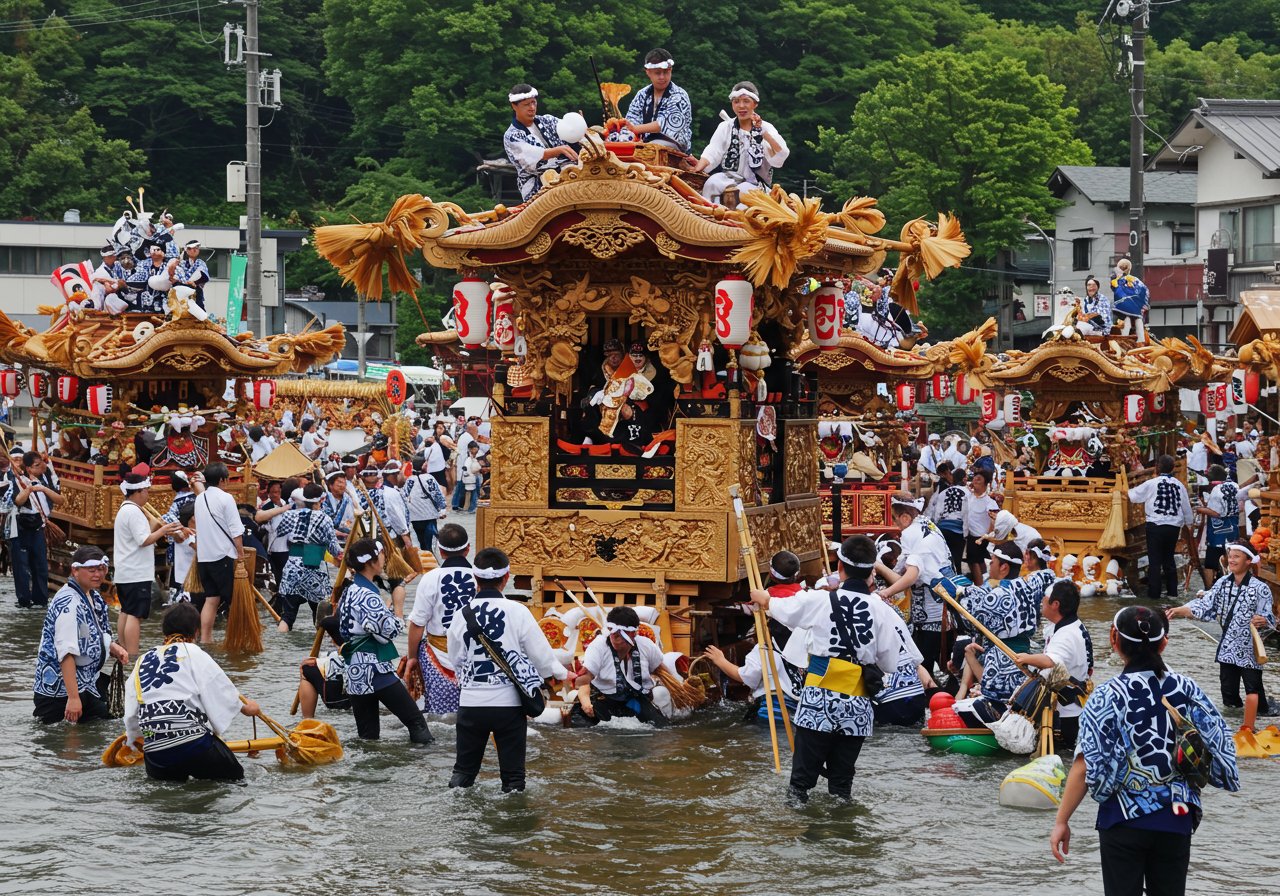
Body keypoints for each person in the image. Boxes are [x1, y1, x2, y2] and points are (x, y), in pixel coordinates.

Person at [1050, 606, 1239, 895]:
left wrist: (1062, 821)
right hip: (1176, 817)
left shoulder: (1107, 695)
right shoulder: (1187, 689)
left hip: (1122, 818)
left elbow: (1085, 764)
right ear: (1164, 642)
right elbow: (1219, 741)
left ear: (1114, 639)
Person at [750, 535, 910, 802]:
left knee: (799, 786)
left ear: (840, 568)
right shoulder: (882, 610)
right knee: (841, 788)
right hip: (857, 705)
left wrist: (763, 599)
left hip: (818, 699)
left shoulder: (819, 600)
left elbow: (786, 611)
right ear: (872, 573)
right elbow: (889, 664)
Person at [447, 547, 569, 791]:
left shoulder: (461, 614)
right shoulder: (518, 611)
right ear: (506, 578)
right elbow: (542, 659)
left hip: (471, 703)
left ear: (475, 578)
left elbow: (456, 659)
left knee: (463, 773)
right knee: (513, 779)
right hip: (509, 705)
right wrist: (562, 675)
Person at [123, 603, 262, 782]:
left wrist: (134, 740)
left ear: (164, 632)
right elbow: (219, 688)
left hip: (155, 751)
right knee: (237, 780)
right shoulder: (194, 652)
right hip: (193, 746)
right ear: (196, 632)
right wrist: (247, 708)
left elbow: (132, 708)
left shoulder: (143, 659)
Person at [1167, 539, 1275, 733]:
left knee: (1255, 694)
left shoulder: (1261, 588)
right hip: (1227, 650)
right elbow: (1205, 605)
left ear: (1248, 561)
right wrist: (1180, 610)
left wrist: (1263, 620)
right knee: (1229, 697)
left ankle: (1261, 730)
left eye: (1236, 557)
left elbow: (1270, 618)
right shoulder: (1222, 583)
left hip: (1250, 651)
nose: (1231, 560)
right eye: (1230, 556)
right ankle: (1233, 729)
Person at [338, 538, 432, 743]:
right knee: (417, 723)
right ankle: (424, 767)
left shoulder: (350, 590)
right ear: (371, 562)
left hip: (355, 671)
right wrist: (398, 606)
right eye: (381, 555)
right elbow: (388, 632)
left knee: (368, 737)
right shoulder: (366, 595)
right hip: (375, 670)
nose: (384, 558)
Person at [32, 546, 128, 724]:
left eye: (101, 569)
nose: (97, 575)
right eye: (91, 570)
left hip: (86, 685)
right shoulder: (69, 604)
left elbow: (92, 634)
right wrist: (74, 698)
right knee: (68, 745)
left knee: (113, 721)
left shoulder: (90, 595)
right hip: (61, 693)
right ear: (75, 570)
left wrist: (112, 647)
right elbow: (66, 653)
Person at [957, 543, 1039, 717]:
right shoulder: (1028, 589)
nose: (989, 565)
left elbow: (972, 624)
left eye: (992, 561)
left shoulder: (999, 594)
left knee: (987, 705)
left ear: (1004, 567)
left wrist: (961, 594)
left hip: (1002, 663)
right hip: (1024, 659)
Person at [406, 523, 476, 716]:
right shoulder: (480, 578)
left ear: (441, 551)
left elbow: (417, 623)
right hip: (477, 654)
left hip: (438, 654)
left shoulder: (430, 578)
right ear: (468, 549)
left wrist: (412, 658)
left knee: (439, 717)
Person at [1013, 580, 1092, 750]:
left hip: (1065, 716)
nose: (1041, 601)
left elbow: (1051, 661)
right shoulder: (1072, 625)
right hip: (1074, 709)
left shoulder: (1066, 634)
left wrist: (1026, 658)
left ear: (1055, 604)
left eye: (1045, 599)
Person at [114, 472, 181, 656]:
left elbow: (140, 537)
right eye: (146, 491)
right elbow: (144, 540)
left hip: (125, 571)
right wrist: (165, 529)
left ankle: (123, 649)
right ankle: (133, 653)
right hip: (136, 571)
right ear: (138, 492)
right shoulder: (133, 511)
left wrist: (157, 527)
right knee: (135, 614)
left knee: (126, 611)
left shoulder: (125, 509)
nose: (147, 495)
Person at [690, 81, 788, 205]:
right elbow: (713, 151)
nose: (741, 106)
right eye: (736, 101)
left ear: (755, 104)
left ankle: (728, 221)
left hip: (755, 185)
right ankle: (708, 217)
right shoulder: (726, 127)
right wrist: (699, 166)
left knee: (737, 194)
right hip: (728, 177)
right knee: (712, 182)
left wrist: (763, 133)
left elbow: (781, 153)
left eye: (746, 101)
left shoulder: (766, 128)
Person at [571, 606, 670, 728]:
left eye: (621, 636)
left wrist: (678, 689)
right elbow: (585, 679)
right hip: (604, 697)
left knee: (661, 726)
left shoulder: (646, 645)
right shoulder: (599, 646)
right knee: (580, 723)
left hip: (634, 698)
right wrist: (585, 702)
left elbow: (661, 670)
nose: (616, 639)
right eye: (614, 634)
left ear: (633, 634)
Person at [277, 483, 343, 633]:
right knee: (321, 615)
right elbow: (333, 547)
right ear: (322, 499)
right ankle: (319, 647)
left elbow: (280, 532)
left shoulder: (290, 514)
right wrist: (342, 555)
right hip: (314, 567)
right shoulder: (325, 518)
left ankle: (281, 640)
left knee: (287, 616)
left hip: (292, 567)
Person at [1128, 454, 1193, 604]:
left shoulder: (1151, 483)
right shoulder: (1179, 485)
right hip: (1173, 527)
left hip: (1155, 526)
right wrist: (1189, 524)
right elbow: (1186, 508)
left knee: (1155, 560)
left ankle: (1154, 595)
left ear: (1157, 467)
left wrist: (1122, 492)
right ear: (1172, 469)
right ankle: (1172, 593)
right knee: (1168, 558)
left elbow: (1133, 496)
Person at [192, 462, 246, 644]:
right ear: (223, 480)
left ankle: (206, 639)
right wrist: (241, 555)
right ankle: (238, 638)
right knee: (235, 601)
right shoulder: (226, 498)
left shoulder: (200, 499)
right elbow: (236, 531)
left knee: (211, 599)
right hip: (223, 556)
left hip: (204, 557)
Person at [2, 450, 63, 608]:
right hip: (20, 526)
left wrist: (43, 488)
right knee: (22, 567)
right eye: (37, 465)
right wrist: (28, 489)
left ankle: (41, 600)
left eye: (42, 462)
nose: (42, 465)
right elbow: (18, 501)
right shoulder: (14, 478)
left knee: (40, 565)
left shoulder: (46, 475)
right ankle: (23, 601)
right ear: (28, 468)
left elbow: (60, 499)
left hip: (39, 526)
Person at [502, 83, 578, 203]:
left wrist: (578, 128)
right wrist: (559, 150)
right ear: (514, 106)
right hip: (536, 186)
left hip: (570, 175)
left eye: (534, 102)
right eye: (526, 104)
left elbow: (570, 131)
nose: (532, 107)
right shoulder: (511, 136)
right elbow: (532, 159)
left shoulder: (548, 120)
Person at [623, 48, 693, 153]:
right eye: (657, 73)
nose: (662, 77)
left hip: (673, 148)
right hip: (643, 144)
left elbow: (664, 124)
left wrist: (635, 129)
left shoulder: (679, 95)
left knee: (651, 148)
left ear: (671, 70)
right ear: (648, 72)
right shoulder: (642, 94)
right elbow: (631, 121)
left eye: (666, 72)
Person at [1194, 465, 1241, 587]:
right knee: (1230, 559)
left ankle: (1209, 590)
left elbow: (1216, 513)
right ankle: (1231, 586)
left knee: (1210, 563)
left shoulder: (1217, 490)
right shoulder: (1235, 486)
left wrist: (1199, 509)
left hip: (1218, 532)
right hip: (1233, 529)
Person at [298, 615, 351, 719]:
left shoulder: (332, 621)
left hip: (336, 687)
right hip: (377, 683)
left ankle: (307, 719)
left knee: (307, 667)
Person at [926, 461, 966, 573]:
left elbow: (937, 511)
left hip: (944, 525)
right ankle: (957, 575)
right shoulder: (966, 492)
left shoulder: (944, 491)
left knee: (946, 554)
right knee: (956, 555)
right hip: (958, 528)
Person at [403, 456, 447, 552]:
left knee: (422, 541)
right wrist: (443, 509)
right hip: (429, 515)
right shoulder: (429, 478)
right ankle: (430, 558)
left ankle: (425, 556)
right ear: (423, 465)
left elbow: (404, 496)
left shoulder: (410, 480)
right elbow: (437, 494)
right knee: (429, 543)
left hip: (415, 517)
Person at [963, 470, 998, 584]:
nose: (975, 481)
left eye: (979, 479)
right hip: (969, 535)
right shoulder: (968, 497)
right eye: (974, 478)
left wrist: (987, 536)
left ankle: (980, 586)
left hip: (980, 537)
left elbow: (995, 520)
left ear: (985, 483)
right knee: (976, 561)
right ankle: (985, 581)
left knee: (974, 561)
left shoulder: (989, 502)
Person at [125, 243, 173, 314]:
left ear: (163, 253)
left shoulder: (169, 266)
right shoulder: (143, 264)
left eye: (157, 250)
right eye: (152, 250)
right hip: (146, 297)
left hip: (164, 296)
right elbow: (133, 279)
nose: (154, 252)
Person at [1110, 258, 1150, 340]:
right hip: (1130, 307)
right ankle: (1138, 340)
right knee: (1134, 320)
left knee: (1131, 321)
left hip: (1126, 307)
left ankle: (1127, 340)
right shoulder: (1131, 279)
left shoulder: (1124, 279)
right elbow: (1143, 291)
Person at [90, 243, 129, 313]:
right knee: (98, 287)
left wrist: (115, 283)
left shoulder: (118, 265)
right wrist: (116, 283)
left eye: (114, 255)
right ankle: (96, 309)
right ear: (105, 258)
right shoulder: (100, 271)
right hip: (108, 300)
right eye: (111, 256)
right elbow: (109, 289)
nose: (114, 257)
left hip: (125, 294)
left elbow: (124, 281)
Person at [173, 239, 210, 309]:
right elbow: (175, 278)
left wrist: (195, 282)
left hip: (196, 291)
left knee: (199, 312)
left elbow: (205, 277)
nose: (195, 250)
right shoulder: (181, 263)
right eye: (191, 248)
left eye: (196, 248)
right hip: (182, 292)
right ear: (187, 250)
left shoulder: (200, 263)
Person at [458, 442, 483, 513]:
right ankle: (469, 508)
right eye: (471, 449)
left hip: (477, 475)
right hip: (469, 477)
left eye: (473, 449)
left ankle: (473, 507)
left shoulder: (480, 454)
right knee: (469, 492)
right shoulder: (468, 456)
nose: (472, 451)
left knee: (477, 491)